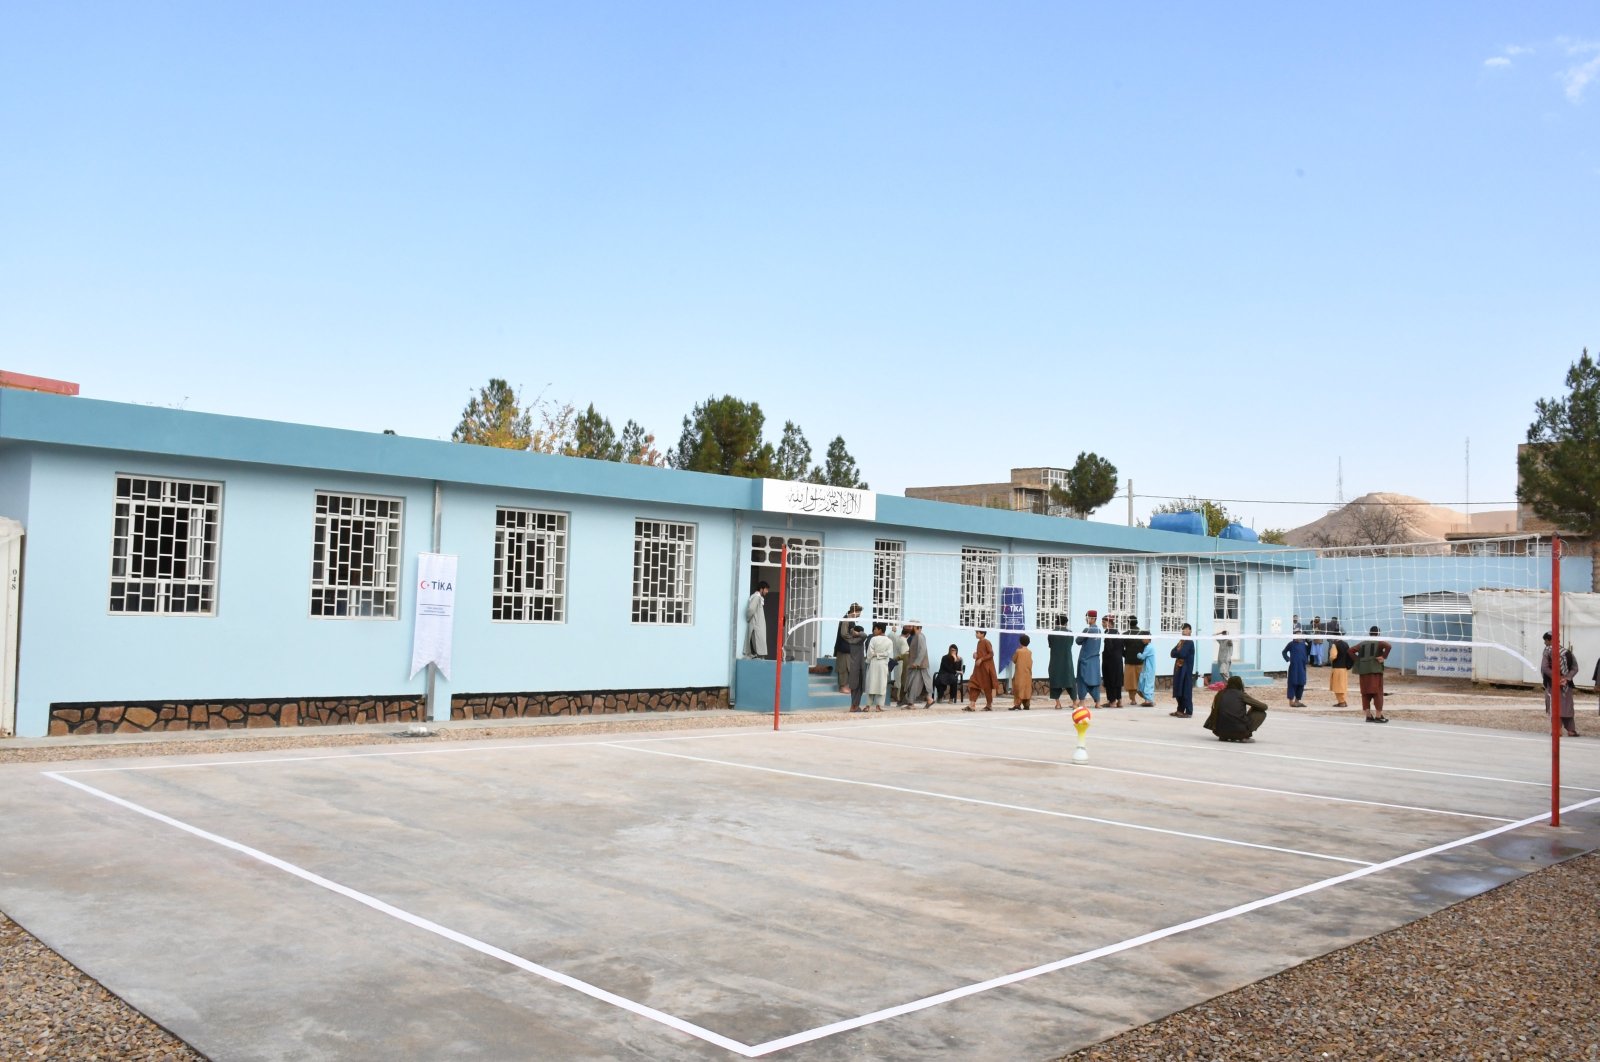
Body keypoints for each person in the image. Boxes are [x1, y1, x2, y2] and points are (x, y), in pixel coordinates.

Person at [1203, 675, 1269, 741]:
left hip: (1219, 732)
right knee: (1261, 712)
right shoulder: (1241, 694)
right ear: (1240, 684)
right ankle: (1244, 735)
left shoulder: (1220, 694)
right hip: (1240, 731)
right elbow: (1264, 707)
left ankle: (1225, 735)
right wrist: (1253, 708)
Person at [1542, 634, 1580, 738]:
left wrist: (1557, 678)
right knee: (1567, 706)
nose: (1545, 643)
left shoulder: (1548, 651)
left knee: (1554, 706)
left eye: (1545, 640)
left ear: (1550, 640)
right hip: (1566, 684)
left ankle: (1557, 730)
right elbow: (1575, 668)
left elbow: (1544, 668)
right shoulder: (1567, 652)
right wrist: (1566, 678)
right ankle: (1571, 730)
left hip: (1553, 684)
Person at [1352, 626, 1391, 723]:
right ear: (1378, 633)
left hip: (1363, 672)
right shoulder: (1379, 642)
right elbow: (1389, 646)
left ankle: (1368, 716)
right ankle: (1378, 716)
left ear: (1369, 633)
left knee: (1365, 693)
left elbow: (1350, 650)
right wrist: (1383, 657)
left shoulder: (1363, 643)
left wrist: (1358, 661)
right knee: (1377, 693)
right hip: (1375, 672)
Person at [901, 621, 934, 709]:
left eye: (910, 626)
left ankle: (911, 704)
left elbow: (922, 650)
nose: (908, 628)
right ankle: (929, 699)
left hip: (919, 666)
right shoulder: (916, 636)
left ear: (915, 627)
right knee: (921, 684)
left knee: (913, 684)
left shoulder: (920, 636)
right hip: (917, 666)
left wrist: (917, 662)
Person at [965, 629, 999, 711]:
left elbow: (991, 653)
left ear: (983, 634)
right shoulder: (979, 642)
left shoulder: (986, 642)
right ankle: (972, 704)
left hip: (986, 668)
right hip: (978, 668)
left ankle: (989, 705)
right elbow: (981, 653)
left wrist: (981, 659)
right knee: (974, 684)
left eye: (977, 633)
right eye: (976, 632)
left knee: (987, 686)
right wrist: (975, 655)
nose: (976, 634)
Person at [1075, 610, 1104, 707]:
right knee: (1095, 681)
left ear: (1092, 618)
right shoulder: (1099, 631)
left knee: (1082, 680)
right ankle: (1098, 702)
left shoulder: (1087, 630)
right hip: (1095, 660)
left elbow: (1078, 641)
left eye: (1087, 618)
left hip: (1085, 659)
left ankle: (1082, 702)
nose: (1086, 620)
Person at [863, 621, 893, 711]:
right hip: (883, 665)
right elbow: (888, 654)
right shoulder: (889, 641)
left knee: (871, 684)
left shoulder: (873, 639)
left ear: (880, 630)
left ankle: (868, 706)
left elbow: (869, 653)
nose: (874, 631)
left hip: (873, 664)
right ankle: (879, 706)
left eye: (875, 629)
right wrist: (881, 655)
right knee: (881, 684)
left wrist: (872, 657)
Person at [833, 603, 862, 692]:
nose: (859, 615)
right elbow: (844, 633)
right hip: (844, 648)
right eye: (858, 613)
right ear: (854, 611)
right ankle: (842, 686)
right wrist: (854, 638)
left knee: (849, 667)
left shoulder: (850, 620)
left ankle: (847, 685)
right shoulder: (846, 619)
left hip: (848, 648)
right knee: (843, 668)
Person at [1170, 622, 1196, 717]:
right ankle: (1180, 710)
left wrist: (1178, 652)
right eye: (1183, 629)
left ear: (1190, 631)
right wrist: (1178, 652)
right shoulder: (1181, 642)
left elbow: (1182, 654)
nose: (1184, 630)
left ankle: (1188, 712)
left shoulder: (1189, 642)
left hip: (1186, 670)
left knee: (1186, 691)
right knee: (1178, 690)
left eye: (1186, 629)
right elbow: (1172, 653)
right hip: (1179, 668)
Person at [1047, 624, 1076, 709]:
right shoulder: (1070, 633)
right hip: (1067, 661)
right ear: (1066, 623)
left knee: (1055, 681)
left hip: (1055, 661)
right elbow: (1070, 644)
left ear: (1056, 622)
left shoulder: (1051, 634)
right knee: (1070, 681)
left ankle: (1058, 703)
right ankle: (1075, 702)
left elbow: (1050, 645)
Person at [1102, 615, 1124, 707]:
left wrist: (1105, 658)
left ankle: (1112, 701)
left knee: (1110, 681)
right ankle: (1119, 700)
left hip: (1110, 661)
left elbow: (1109, 648)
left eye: (1104, 622)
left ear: (1109, 623)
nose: (1102, 624)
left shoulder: (1107, 633)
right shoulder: (1118, 633)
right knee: (1117, 680)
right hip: (1118, 661)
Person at [742, 582, 769, 658]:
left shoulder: (758, 597)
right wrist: (748, 618)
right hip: (757, 626)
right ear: (761, 589)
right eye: (766, 589)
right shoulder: (756, 597)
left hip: (758, 625)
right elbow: (751, 609)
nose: (767, 591)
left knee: (760, 645)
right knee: (759, 645)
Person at [1282, 635, 1310, 707]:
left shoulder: (1304, 644)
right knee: (1292, 682)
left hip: (1302, 667)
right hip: (1294, 667)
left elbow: (1308, 651)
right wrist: (1288, 659)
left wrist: (1308, 641)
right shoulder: (1291, 644)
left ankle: (1297, 701)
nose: (1298, 638)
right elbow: (1284, 652)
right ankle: (1291, 701)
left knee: (1301, 682)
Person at [1327, 632, 1353, 707]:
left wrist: (1330, 658)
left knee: (1337, 686)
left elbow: (1333, 656)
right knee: (1343, 685)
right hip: (1344, 668)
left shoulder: (1335, 645)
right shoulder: (1346, 644)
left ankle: (1341, 702)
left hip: (1337, 668)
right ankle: (1343, 701)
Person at [844, 624, 867, 711]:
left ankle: (852, 706)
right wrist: (857, 633)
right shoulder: (859, 640)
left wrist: (852, 632)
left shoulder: (850, 639)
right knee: (859, 688)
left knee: (854, 687)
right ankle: (855, 706)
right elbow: (865, 635)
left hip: (853, 666)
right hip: (859, 666)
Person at [1122, 615, 1144, 702]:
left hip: (1129, 661)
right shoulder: (1143, 634)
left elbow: (1121, 648)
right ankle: (1146, 698)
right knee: (1141, 681)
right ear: (1137, 622)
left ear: (1128, 623)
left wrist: (1126, 655)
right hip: (1141, 662)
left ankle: (1133, 700)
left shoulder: (1125, 634)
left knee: (1131, 682)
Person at [1009, 633, 1035, 710]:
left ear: (1020, 642)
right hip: (1028, 673)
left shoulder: (1018, 651)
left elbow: (1014, 660)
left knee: (1018, 688)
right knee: (1027, 688)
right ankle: (1027, 704)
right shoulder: (1029, 652)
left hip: (1019, 673)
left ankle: (1017, 704)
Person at [889, 623, 910, 703]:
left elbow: (890, 635)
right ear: (908, 634)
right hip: (902, 662)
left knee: (898, 680)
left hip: (896, 661)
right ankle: (899, 698)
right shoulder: (904, 641)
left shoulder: (897, 638)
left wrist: (893, 631)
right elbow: (904, 653)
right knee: (902, 681)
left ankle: (898, 697)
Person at [1136, 631, 1157, 706]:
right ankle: (1148, 700)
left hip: (1149, 670)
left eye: (1143, 638)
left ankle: (1148, 700)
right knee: (1144, 683)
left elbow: (1142, 657)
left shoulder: (1149, 647)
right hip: (1147, 669)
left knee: (1147, 684)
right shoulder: (1148, 646)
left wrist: (1138, 654)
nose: (1142, 640)